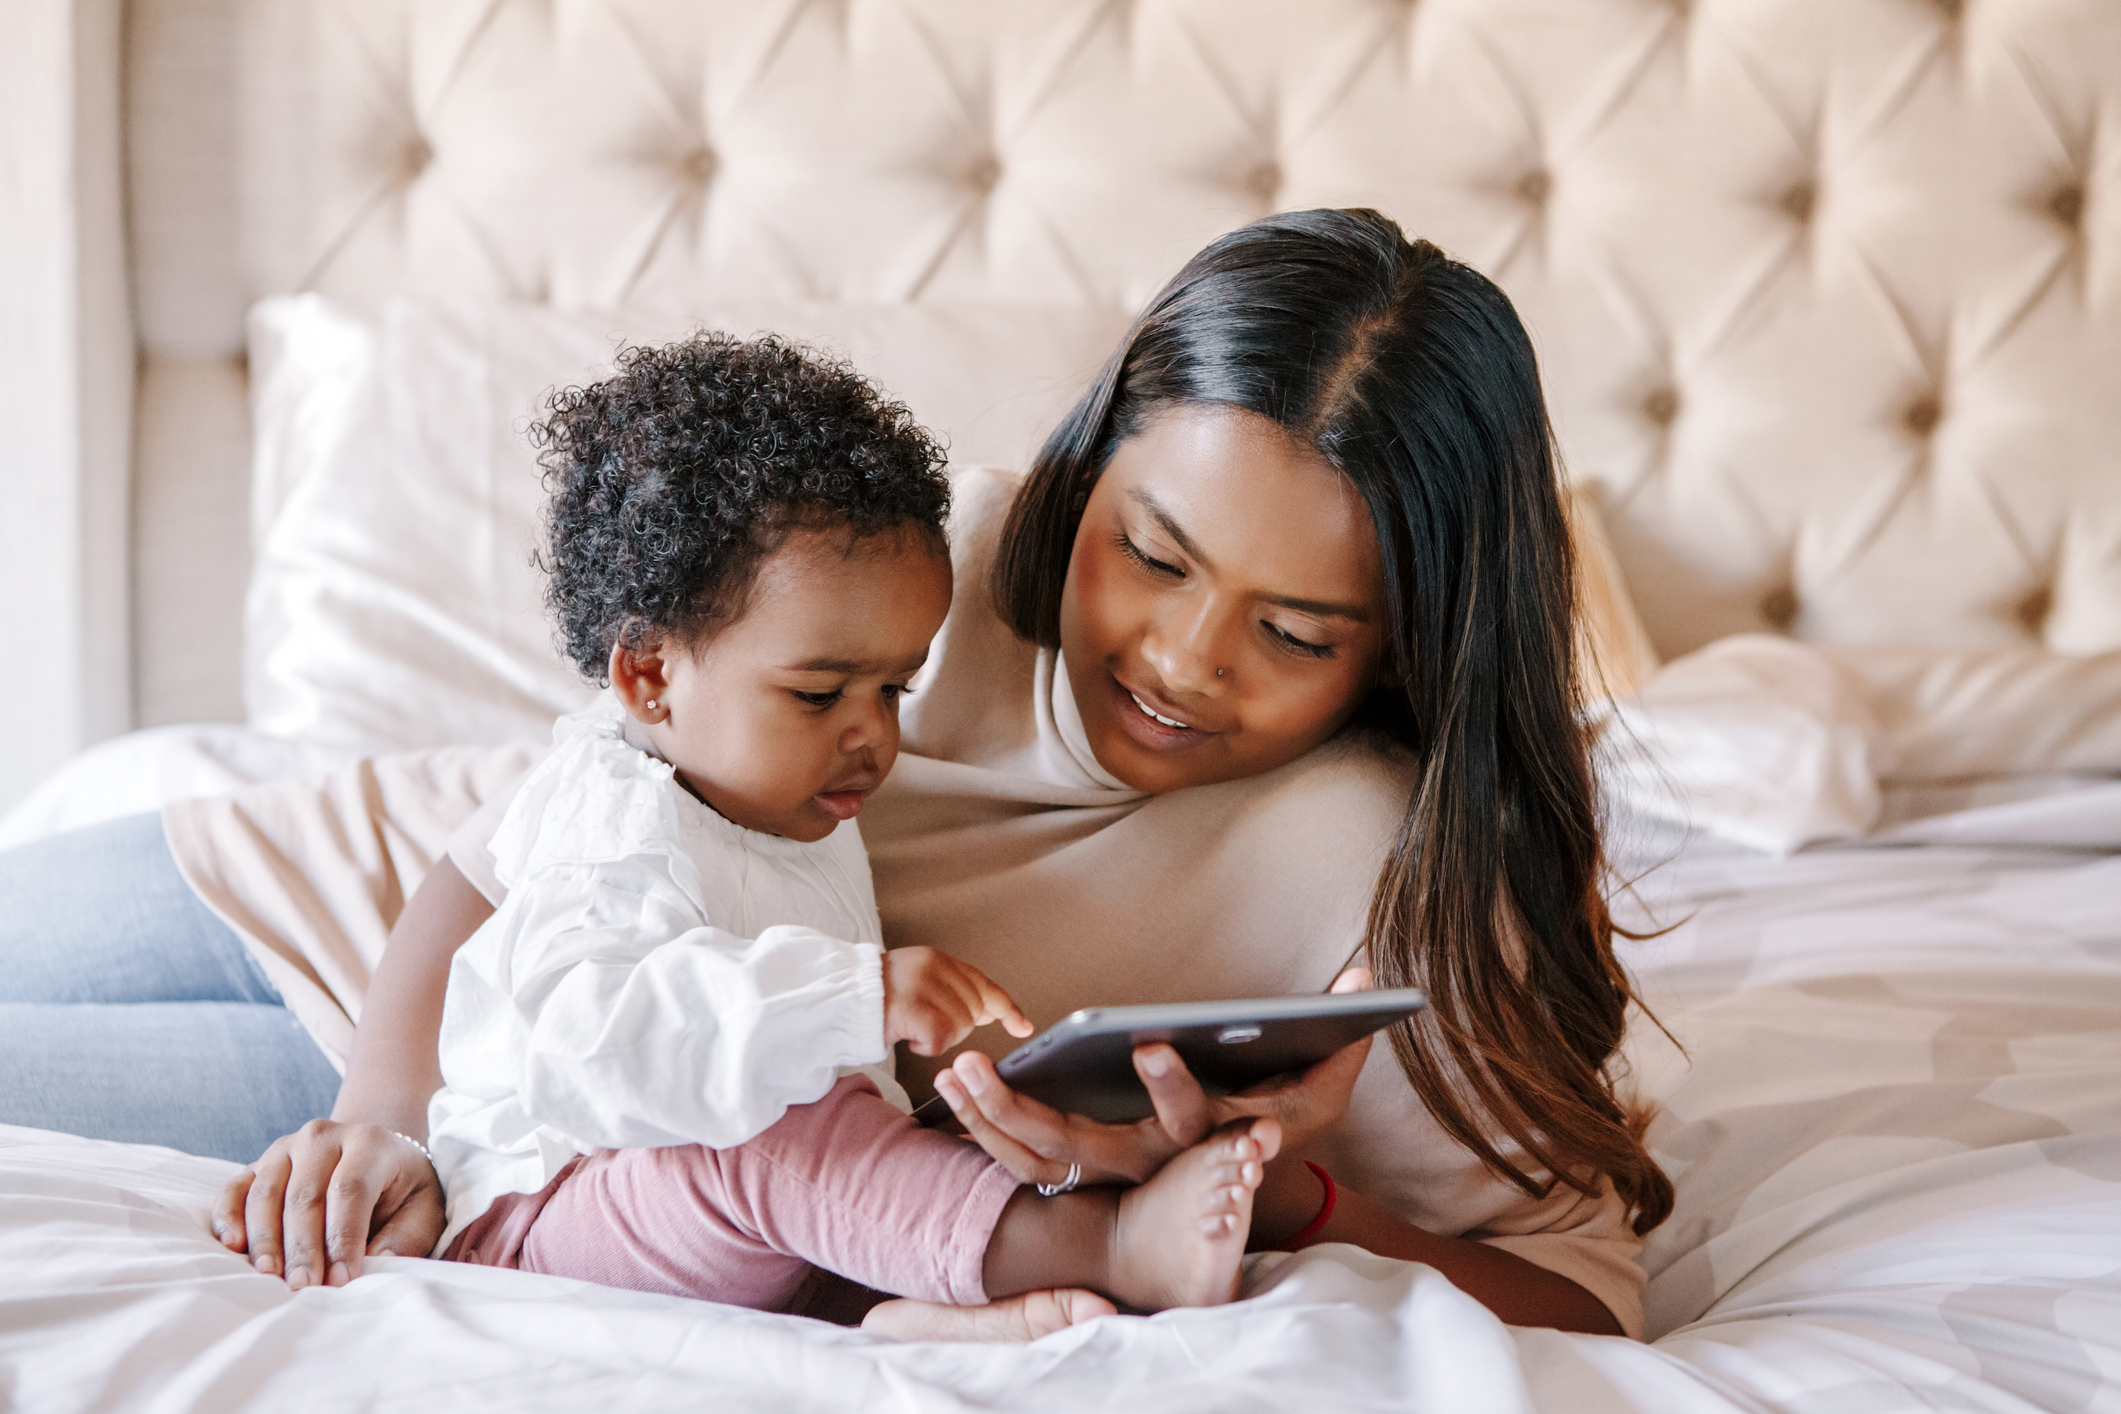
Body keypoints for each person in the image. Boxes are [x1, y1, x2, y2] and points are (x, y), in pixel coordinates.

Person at [0, 208, 1667, 1339]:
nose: (1177, 656)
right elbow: (509, 849)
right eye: (1150, 551)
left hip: (571, 1123)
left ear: (1407, 642)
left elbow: (1578, 1295)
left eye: (1295, 630)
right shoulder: (944, 558)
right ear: (1093, 469)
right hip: (383, 922)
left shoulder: (1387, 865)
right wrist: (378, 1120)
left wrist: (1294, 1192)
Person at [420, 332, 1291, 1325]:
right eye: (821, 691)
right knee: (775, 1133)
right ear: (650, 674)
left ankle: (904, 1315)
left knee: (855, 1143)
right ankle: (1110, 1247)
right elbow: (587, 1047)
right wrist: (851, 995)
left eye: (894, 687)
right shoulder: (611, 819)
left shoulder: (790, 797)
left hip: (731, 1235)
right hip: (543, 1221)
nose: (873, 735)